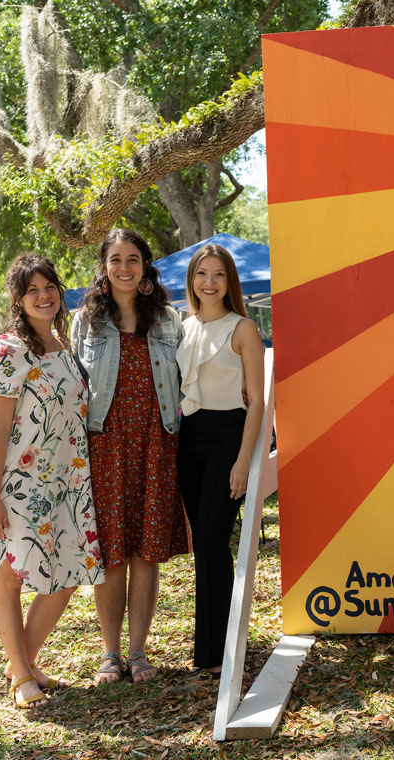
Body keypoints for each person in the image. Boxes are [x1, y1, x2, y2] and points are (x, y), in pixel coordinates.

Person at [0, 253, 104, 710]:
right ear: (18, 299)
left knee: (66, 574)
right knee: (12, 575)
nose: (44, 296)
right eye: (33, 290)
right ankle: (23, 675)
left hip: (66, 484)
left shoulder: (65, 346)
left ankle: (21, 660)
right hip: (18, 483)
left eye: (49, 287)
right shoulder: (8, 350)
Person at [72, 228, 188, 685]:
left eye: (133, 259)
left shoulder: (168, 320)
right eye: (116, 259)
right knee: (112, 551)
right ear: (104, 267)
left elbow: (191, 377)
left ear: (145, 268)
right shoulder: (85, 323)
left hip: (156, 443)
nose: (124, 267)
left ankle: (138, 651)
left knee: (146, 552)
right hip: (105, 446)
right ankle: (110, 653)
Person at [176, 243, 264, 679]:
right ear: (192, 280)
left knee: (213, 540)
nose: (209, 283)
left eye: (218, 275)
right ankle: (211, 648)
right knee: (202, 546)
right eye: (202, 274)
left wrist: (245, 458)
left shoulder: (243, 328)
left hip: (230, 437)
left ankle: (221, 652)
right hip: (189, 439)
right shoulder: (182, 328)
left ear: (230, 282)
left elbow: (258, 402)